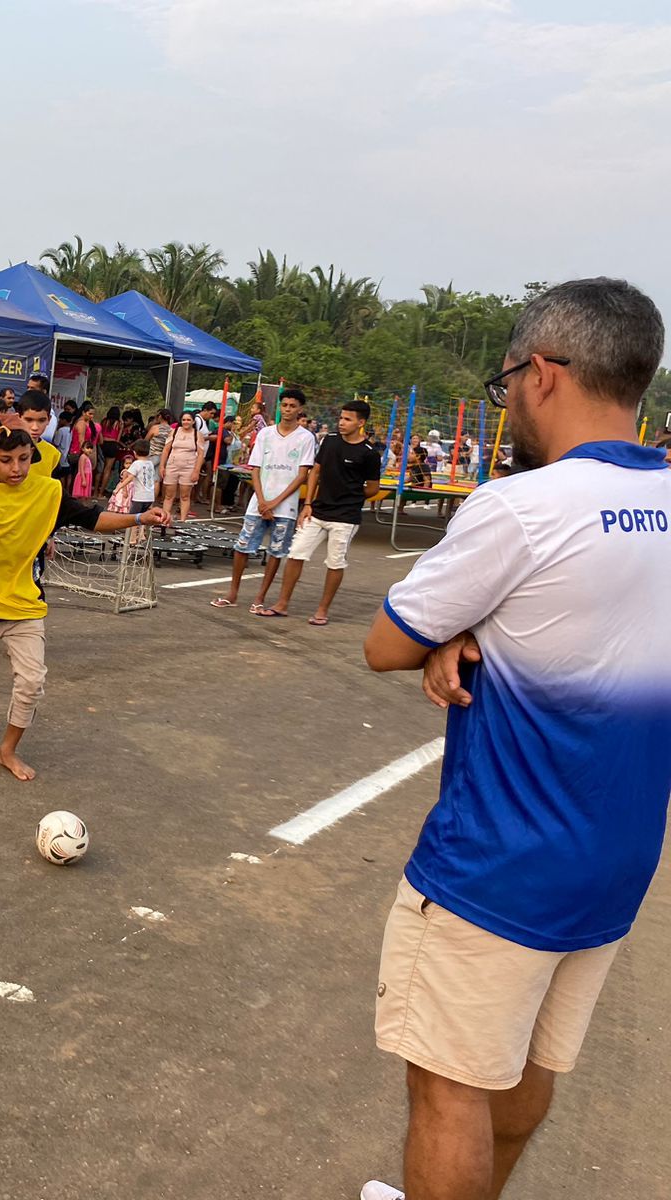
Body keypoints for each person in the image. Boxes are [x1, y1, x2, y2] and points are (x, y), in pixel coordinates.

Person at [357, 278, 670, 1200]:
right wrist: (478, 627)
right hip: (618, 854)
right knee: (531, 1068)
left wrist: (458, 629)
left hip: (501, 857)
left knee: (450, 1088)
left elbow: (386, 644)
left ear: (541, 372)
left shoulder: (521, 506)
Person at [0, 426, 172, 781]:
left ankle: (7, 750)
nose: (16, 468)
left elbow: (93, 519)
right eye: (6, 460)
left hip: (24, 603)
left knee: (32, 681)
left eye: (23, 459)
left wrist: (139, 518)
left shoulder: (48, 493)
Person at [258, 398, 381, 625]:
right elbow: (315, 471)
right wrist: (308, 504)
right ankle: (282, 604)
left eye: (347, 419)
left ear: (361, 422)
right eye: (341, 418)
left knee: (335, 562)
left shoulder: (369, 453)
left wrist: (350, 495)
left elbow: (373, 488)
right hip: (317, 511)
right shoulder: (330, 441)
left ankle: (322, 610)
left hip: (345, 517)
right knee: (296, 553)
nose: (341, 423)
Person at [210, 389, 316, 612]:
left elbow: (302, 475)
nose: (287, 409)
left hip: (285, 507)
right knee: (242, 546)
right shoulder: (266, 434)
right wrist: (261, 500)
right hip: (258, 503)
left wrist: (274, 502)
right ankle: (232, 592)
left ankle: (260, 597)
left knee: (276, 551)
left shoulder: (306, 438)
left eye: (292, 406)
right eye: (284, 405)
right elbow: (255, 469)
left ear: (300, 409)